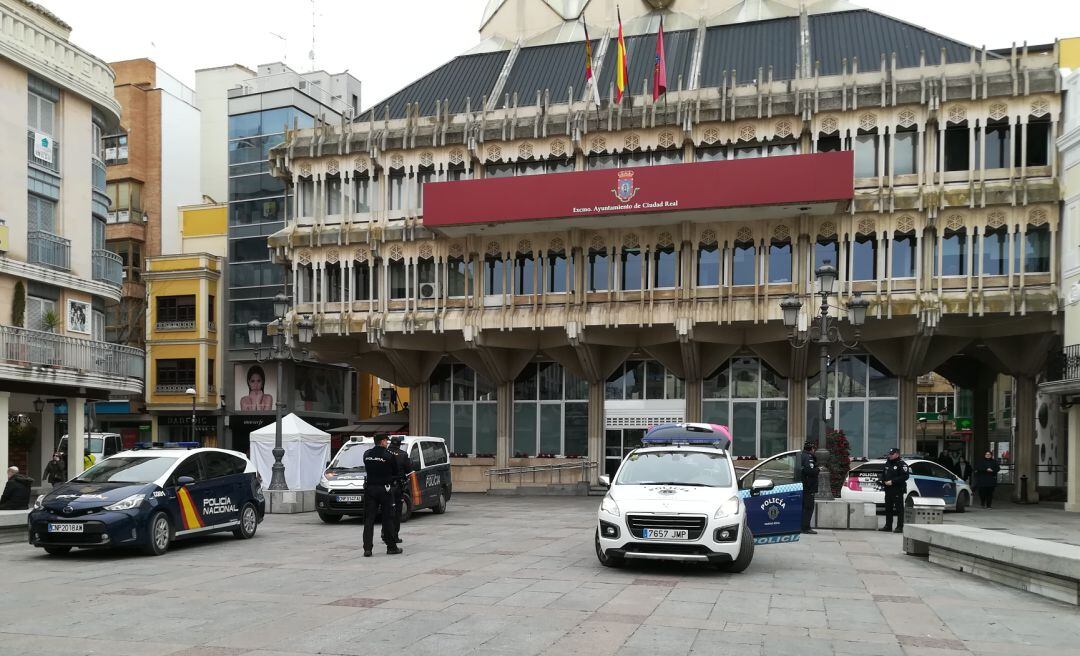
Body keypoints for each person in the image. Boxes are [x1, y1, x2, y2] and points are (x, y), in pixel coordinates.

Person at [362, 434, 402, 557]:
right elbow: (396, 472)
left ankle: (367, 549)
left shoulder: (367, 454)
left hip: (370, 489)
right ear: (383, 441)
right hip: (385, 489)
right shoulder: (388, 455)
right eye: (386, 441)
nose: (387, 443)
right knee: (387, 518)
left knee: (369, 520)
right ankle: (391, 547)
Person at [383, 436, 413, 545]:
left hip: (385, 485)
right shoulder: (403, 455)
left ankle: (384, 533)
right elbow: (408, 470)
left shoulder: (384, 453)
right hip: (397, 486)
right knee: (396, 512)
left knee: (386, 510)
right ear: (399, 444)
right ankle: (394, 536)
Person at [878, 448, 909, 533]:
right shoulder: (888, 463)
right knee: (888, 508)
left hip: (897, 489)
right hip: (888, 490)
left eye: (892, 454)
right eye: (889, 454)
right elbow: (884, 473)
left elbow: (905, 476)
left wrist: (892, 481)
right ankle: (888, 526)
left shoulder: (902, 464)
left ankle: (899, 527)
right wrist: (881, 480)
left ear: (897, 454)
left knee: (899, 509)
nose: (890, 455)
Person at [796, 441, 818, 535]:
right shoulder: (809, 457)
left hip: (802, 485)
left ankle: (801, 526)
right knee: (808, 507)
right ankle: (806, 528)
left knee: (803, 507)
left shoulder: (800, 455)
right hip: (808, 487)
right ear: (812, 449)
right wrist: (818, 469)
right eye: (814, 449)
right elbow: (810, 471)